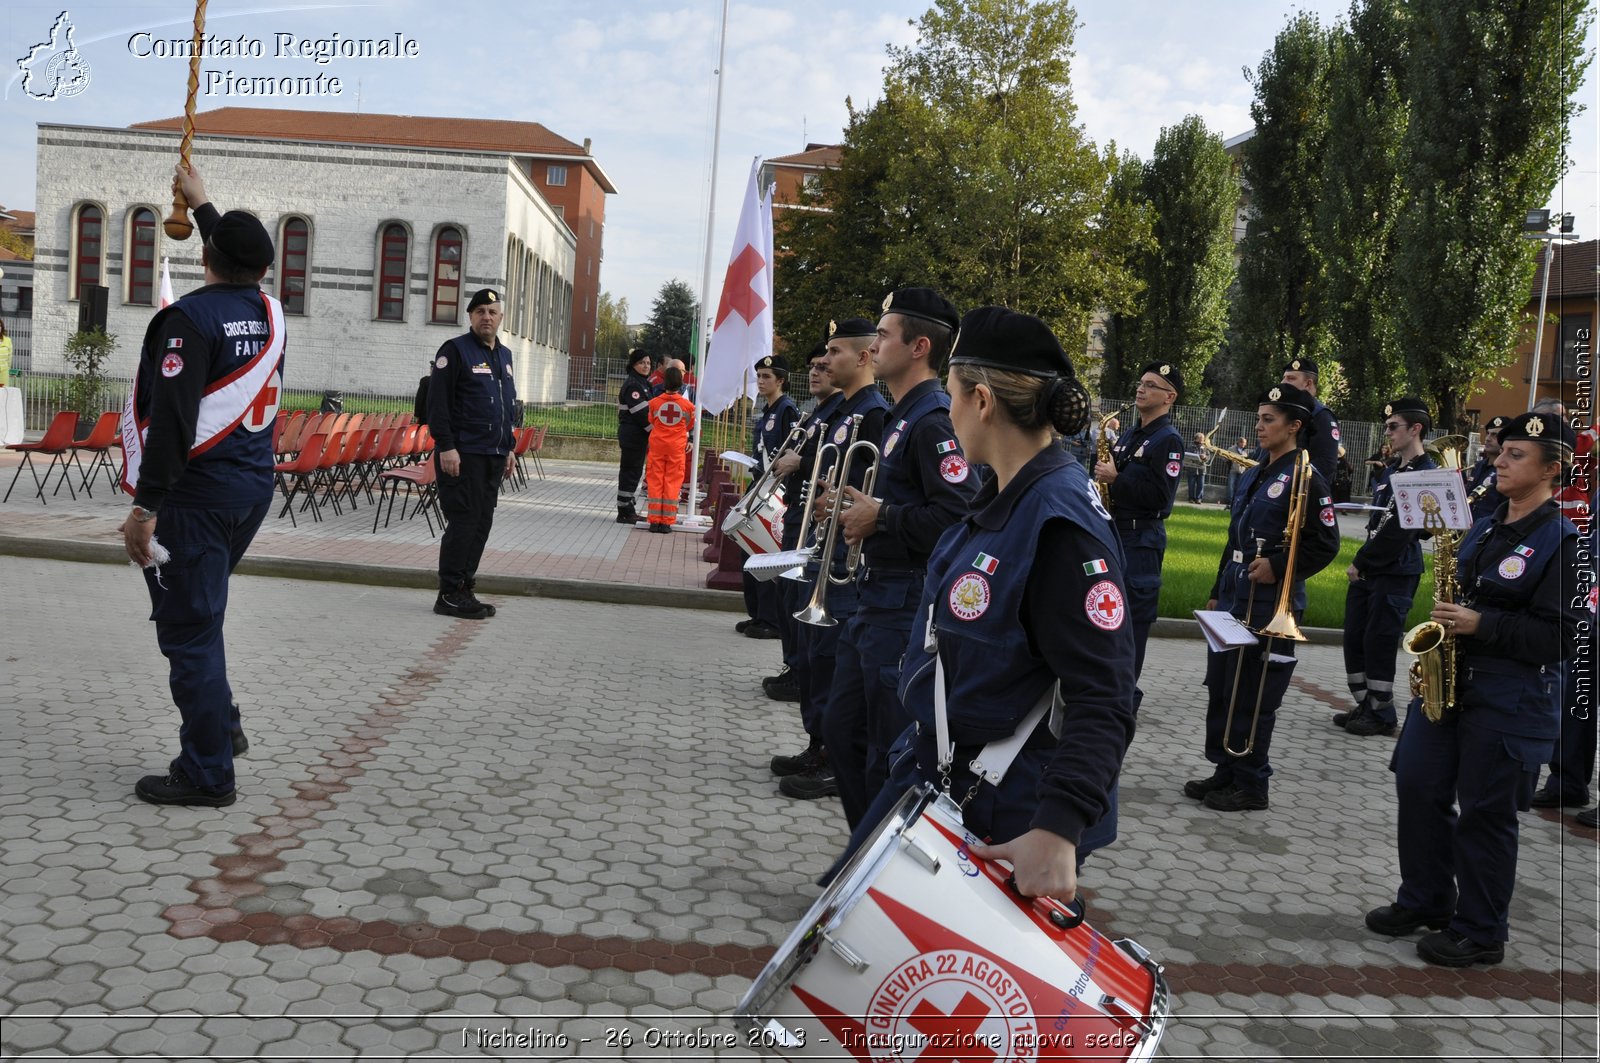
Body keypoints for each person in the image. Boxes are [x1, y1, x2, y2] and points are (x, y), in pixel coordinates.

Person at [834, 306, 1135, 901]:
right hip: (945, 778)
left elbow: (1104, 693)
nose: (946, 412)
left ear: (981, 402)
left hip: (1007, 810)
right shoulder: (1005, 494)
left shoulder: (1059, 523)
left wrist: (1058, 828)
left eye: (949, 394)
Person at [1366, 412, 1582, 966]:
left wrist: (1480, 624)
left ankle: (1482, 931)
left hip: (1511, 697)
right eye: (1501, 450)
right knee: (1417, 784)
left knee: (1486, 813)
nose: (1499, 460)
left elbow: (1561, 636)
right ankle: (1427, 898)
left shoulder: (1565, 542)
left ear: (1551, 470)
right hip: (1451, 682)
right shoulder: (1484, 523)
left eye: (1516, 455)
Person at [118, 163, 285, 807]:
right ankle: (224, 727)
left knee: (188, 630)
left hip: (192, 499)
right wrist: (204, 203)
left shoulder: (188, 320)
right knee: (198, 615)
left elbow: (173, 423)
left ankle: (208, 772)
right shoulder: (269, 312)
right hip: (249, 490)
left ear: (208, 257)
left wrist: (144, 506)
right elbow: (241, 260)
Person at [819, 288, 977, 830]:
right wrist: (851, 505)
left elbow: (958, 518)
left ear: (919, 347)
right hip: (872, 597)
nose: (875, 345)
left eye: (884, 335)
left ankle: (870, 870)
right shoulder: (901, 416)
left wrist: (881, 518)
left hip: (903, 602)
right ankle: (862, 857)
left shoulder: (933, 420)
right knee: (842, 730)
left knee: (884, 746)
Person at [1185, 383, 1340, 812]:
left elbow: (1324, 543)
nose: (1259, 427)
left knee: (1254, 693)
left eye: (1268, 420)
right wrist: (1218, 591)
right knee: (1223, 685)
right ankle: (1226, 766)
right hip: (1236, 594)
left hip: (1271, 602)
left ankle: (1252, 783)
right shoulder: (1257, 471)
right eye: (1259, 418)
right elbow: (1234, 538)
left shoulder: (1307, 477)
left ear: (1295, 426)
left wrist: (1277, 563)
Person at [779, 317, 889, 801]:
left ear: (864, 358)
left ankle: (831, 755)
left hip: (843, 557)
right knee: (810, 655)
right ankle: (816, 741)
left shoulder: (875, 414)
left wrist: (839, 504)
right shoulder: (842, 410)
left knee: (828, 658)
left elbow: (870, 490)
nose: (822, 360)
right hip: (820, 546)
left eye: (834, 352)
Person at [1337, 398, 1437, 738]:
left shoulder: (1427, 472)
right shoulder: (1393, 469)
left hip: (1395, 569)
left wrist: (1362, 561)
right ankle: (1365, 703)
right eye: (1387, 426)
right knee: (1356, 636)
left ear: (1415, 429)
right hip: (1374, 565)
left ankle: (1382, 712)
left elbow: (1405, 529)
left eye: (1394, 426)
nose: (1388, 432)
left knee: (1379, 639)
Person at [1094, 361, 1185, 709]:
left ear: (1169, 397)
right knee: (1108, 614)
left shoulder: (1168, 441)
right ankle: (1104, 691)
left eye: (1151, 385)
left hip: (1141, 540)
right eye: (1141, 382)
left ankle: (1123, 699)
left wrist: (1118, 479)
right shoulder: (1132, 434)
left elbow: (1162, 498)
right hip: (1115, 532)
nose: (1141, 389)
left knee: (1132, 621)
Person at [765, 340, 841, 742]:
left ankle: (798, 672)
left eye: (825, 365)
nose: (816, 371)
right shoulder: (818, 412)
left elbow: (838, 465)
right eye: (812, 365)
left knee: (798, 598)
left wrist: (802, 462)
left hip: (815, 520)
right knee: (788, 596)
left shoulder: (854, 413)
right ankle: (793, 667)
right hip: (799, 511)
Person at [428, 288, 518, 620]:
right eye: (480, 311)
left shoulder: (505, 356)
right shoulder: (455, 351)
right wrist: (446, 446)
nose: (486, 317)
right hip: (463, 454)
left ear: (500, 317)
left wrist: (509, 448)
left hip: (494, 454)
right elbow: (437, 405)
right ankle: (449, 593)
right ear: (470, 316)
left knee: (482, 523)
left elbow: (508, 406)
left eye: (492, 312)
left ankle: (465, 587)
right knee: (464, 522)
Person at [737, 354, 799, 640]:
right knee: (748, 550)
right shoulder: (768, 409)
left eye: (766, 377)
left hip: (773, 492)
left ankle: (770, 620)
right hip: (758, 486)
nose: (760, 381)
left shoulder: (786, 409)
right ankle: (756, 614)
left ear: (781, 381)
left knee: (763, 554)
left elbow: (792, 453)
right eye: (759, 376)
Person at [643, 366, 695, 532]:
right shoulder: (688, 406)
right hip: (676, 449)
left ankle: (654, 521)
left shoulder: (653, 403)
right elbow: (689, 425)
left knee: (655, 481)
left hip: (657, 447)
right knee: (672, 483)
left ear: (664, 382)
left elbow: (651, 420)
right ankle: (666, 523)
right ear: (681, 383)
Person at [1280, 357, 1342, 484]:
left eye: (1291, 378)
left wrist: (1285, 484)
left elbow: (1325, 465)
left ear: (1308, 384)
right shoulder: (1284, 412)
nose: (1283, 383)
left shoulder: (1321, 416)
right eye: (1284, 377)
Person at [615, 347, 653, 524]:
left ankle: (628, 507)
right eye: (642, 363)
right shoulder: (634, 385)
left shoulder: (643, 383)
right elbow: (641, 413)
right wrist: (655, 431)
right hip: (632, 436)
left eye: (648, 363)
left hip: (637, 436)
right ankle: (624, 511)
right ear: (633, 364)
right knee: (630, 473)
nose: (646, 366)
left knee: (634, 473)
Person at [1466, 416, 1506, 522]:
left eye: (1495, 435)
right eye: (1487, 433)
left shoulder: (1506, 470)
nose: (1488, 438)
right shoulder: (1478, 465)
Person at [1184, 432, 1208, 502]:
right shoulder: (1190, 446)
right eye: (1201, 439)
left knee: (1200, 485)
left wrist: (1205, 457)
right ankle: (1191, 498)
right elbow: (1187, 456)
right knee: (1191, 484)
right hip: (1192, 468)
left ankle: (1199, 498)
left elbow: (1209, 456)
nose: (1202, 440)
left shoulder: (1205, 447)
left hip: (1201, 468)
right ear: (1196, 439)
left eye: (1203, 439)